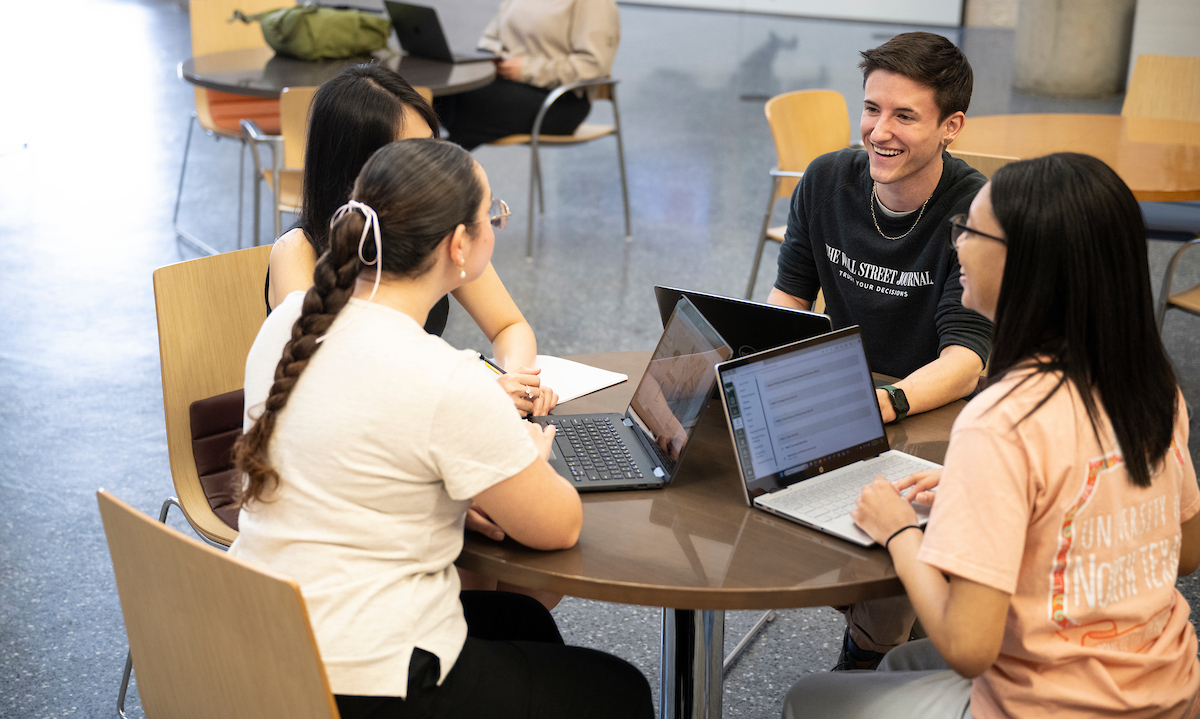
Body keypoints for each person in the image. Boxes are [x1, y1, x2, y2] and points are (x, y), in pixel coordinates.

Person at [231, 138, 654, 719]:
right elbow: (559, 526)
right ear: (460, 245)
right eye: (491, 218)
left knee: (523, 621)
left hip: (260, 639)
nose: (495, 227)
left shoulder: (288, 322)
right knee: (618, 690)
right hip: (371, 680)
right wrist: (529, 454)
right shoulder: (446, 377)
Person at [781, 152, 1200, 719]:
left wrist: (901, 530)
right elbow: (1187, 553)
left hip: (1053, 706)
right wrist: (1004, 498)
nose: (955, 245)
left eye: (969, 230)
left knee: (810, 699)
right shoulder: (1153, 385)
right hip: (1169, 689)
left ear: (1028, 266)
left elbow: (968, 647)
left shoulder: (1001, 420)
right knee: (897, 666)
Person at [768, 32, 993, 666]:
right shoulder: (826, 181)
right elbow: (788, 302)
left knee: (899, 517)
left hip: (932, 404)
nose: (878, 131)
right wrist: (775, 372)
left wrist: (881, 404)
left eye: (904, 116)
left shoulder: (975, 208)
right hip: (851, 387)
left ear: (951, 126)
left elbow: (966, 362)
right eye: (871, 108)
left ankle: (867, 657)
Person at [267, 63, 556, 418]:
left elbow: (508, 325)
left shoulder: (436, 230)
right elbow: (331, 393)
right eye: (414, 155)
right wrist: (475, 398)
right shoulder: (297, 251)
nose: (435, 171)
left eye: (432, 148)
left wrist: (517, 378)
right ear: (363, 168)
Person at [433, 0, 620, 150]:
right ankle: (430, 178)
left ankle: (432, 179)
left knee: (461, 103)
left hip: (561, 101)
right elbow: (490, 39)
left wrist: (527, 70)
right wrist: (495, 58)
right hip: (507, 85)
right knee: (440, 97)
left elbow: (592, 66)